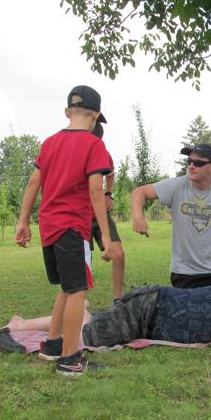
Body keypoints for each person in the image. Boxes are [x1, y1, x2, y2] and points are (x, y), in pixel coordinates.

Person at [14, 85, 116, 375]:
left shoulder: (49, 143)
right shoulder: (94, 145)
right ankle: (70, 360)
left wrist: (23, 221)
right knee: (78, 291)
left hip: (49, 226)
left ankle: (53, 345)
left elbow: (33, 183)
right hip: (72, 227)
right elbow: (96, 191)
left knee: (68, 288)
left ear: (67, 112)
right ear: (95, 115)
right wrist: (106, 236)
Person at [7, 285, 211, 347]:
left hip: (151, 316)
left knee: (90, 328)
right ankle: (77, 309)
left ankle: (21, 324)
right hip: (148, 309)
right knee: (86, 338)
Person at [130, 144, 211, 288]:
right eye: (189, 161)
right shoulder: (177, 186)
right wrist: (138, 217)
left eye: (198, 163)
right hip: (185, 273)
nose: (191, 166)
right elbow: (139, 192)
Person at [89, 122, 125, 301]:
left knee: (118, 253)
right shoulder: (70, 151)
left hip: (99, 214)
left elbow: (110, 174)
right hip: (76, 216)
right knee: (80, 262)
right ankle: (78, 304)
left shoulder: (102, 153)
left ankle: (118, 300)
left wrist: (109, 194)